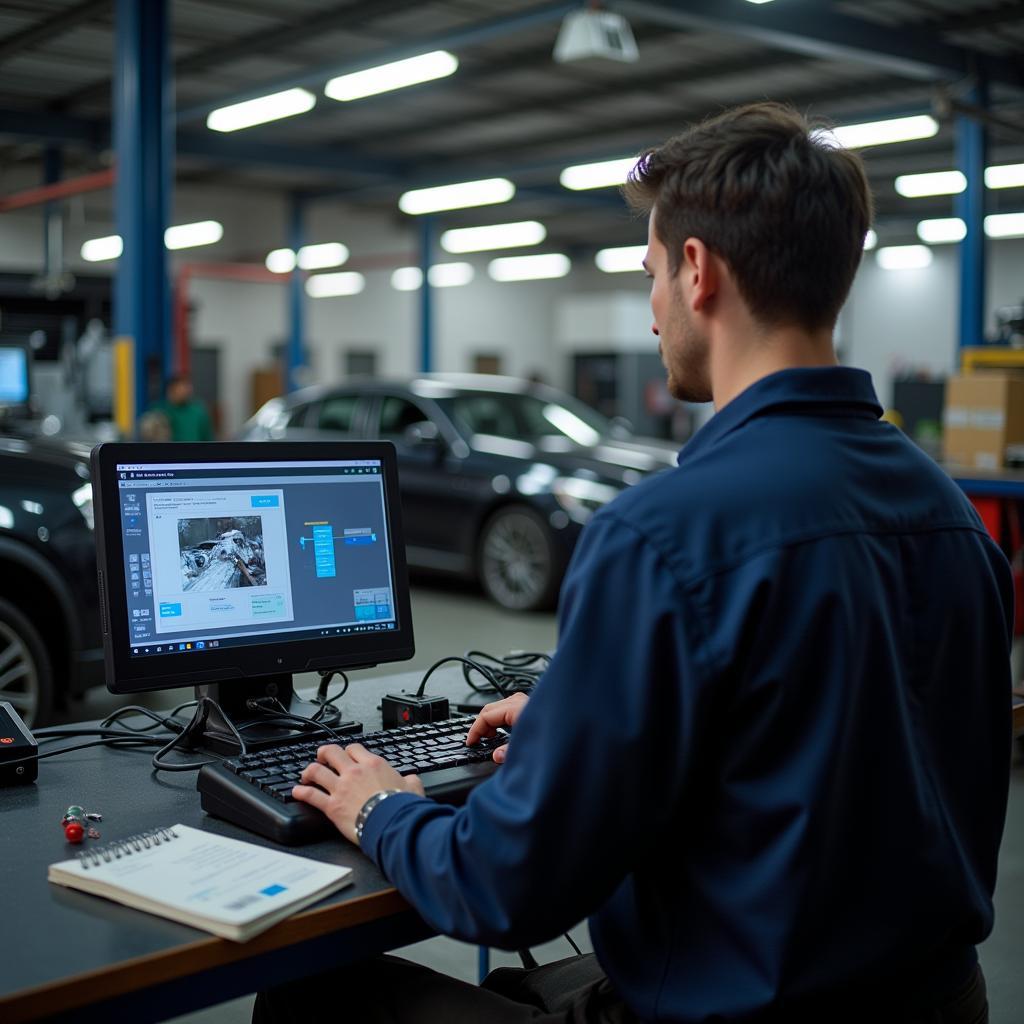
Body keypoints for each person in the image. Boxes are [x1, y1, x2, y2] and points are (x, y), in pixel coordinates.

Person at [255, 103, 1013, 1023]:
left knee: (313, 999)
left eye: (651, 272)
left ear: (697, 274)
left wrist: (383, 808)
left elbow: (504, 891)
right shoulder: (953, 518)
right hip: (935, 1004)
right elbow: (829, 752)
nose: (653, 309)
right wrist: (583, 728)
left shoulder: (661, 536)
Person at [152, 373, 213, 442]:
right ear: (171, 390)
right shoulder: (159, 409)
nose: (187, 390)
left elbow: (208, 437)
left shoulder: (198, 411)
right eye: (182, 387)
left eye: (187, 387)